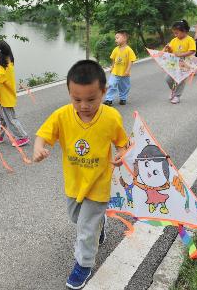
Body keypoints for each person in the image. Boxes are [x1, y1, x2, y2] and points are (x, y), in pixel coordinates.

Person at [33, 60, 128, 289]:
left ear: (104, 92)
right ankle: (100, 224)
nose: (83, 105)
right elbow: (43, 135)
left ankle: (83, 265)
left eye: (91, 99)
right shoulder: (62, 115)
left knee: (85, 229)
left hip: (99, 183)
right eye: (77, 99)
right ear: (69, 93)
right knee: (77, 219)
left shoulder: (111, 117)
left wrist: (122, 154)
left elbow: (123, 143)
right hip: (74, 183)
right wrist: (38, 147)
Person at [163, 20, 196, 104]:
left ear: (184, 31)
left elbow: (192, 51)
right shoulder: (174, 40)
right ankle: (173, 91)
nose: (175, 35)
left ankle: (177, 96)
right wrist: (169, 49)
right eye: (174, 33)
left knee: (180, 80)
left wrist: (181, 54)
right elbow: (171, 52)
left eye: (177, 33)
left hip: (185, 64)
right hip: (174, 63)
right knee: (168, 79)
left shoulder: (190, 40)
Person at [103, 30, 137, 106]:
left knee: (124, 87)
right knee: (112, 84)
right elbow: (113, 59)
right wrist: (112, 67)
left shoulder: (129, 50)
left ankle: (123, 98)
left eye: (117, 38)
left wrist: (128, 70)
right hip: (115, 72)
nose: (116, 40)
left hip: (125, 73)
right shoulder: (116, 49)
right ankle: (109, 100)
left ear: (124, 38)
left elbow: (131, 61)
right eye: (115, 38)